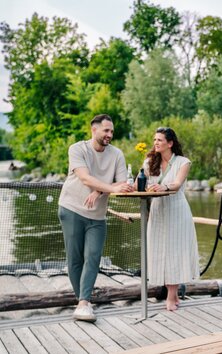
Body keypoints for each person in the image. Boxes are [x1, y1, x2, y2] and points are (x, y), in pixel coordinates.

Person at [58, 114, 134, 322]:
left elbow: (122, 185)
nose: (110, 134)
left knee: (93, 257)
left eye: (112, 131)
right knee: (75, 259)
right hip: (72, 208)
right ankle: (82, 301)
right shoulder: (77, 149)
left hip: (97, 215)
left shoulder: (116, 154)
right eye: (106, 130)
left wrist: (98, 192)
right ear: (94, 129)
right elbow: (84, 177)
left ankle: (83, 303)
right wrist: (106, 187)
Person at [143, 127, 199, 311]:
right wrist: (132, 185)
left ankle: (171, 295)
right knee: (159, 250)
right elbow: (140, 182)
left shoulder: (183, 162)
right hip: (158, 211)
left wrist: (163, 187)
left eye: (159, 140)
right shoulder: (150, 161)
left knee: (175, 251)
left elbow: (177, 184)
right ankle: (172, 294)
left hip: (177, 210)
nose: (155, 143)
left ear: (170, 143)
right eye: (154, 140)